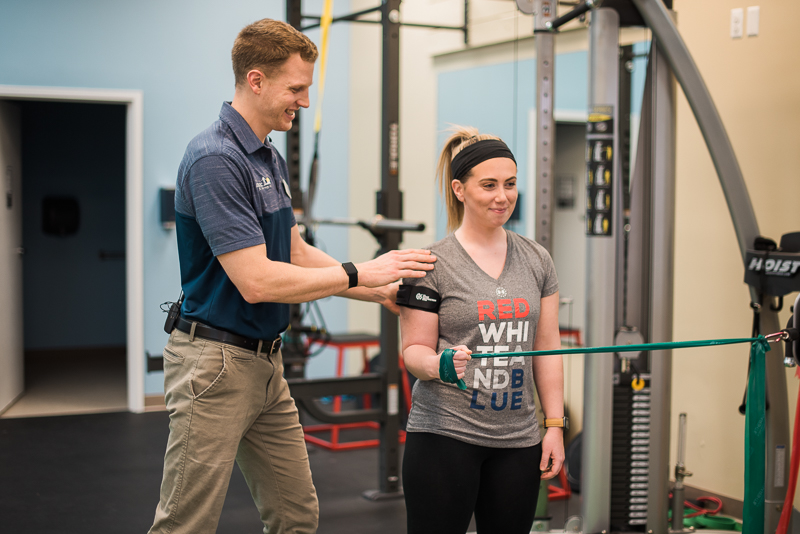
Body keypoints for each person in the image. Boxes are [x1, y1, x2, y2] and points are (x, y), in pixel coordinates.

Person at [148, 19, 436, 534]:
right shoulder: (216, 158)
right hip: (215, 366)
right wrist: (358, 271)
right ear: (255, 81)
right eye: (296, 88)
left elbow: (296, 250)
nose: (303, 101)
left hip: (265, 364)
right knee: (184, 525)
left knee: (296, 515)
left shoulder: (267, 154)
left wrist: (379, 291)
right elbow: (256, 280)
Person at [397, 127, 565, 534]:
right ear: (459, 189)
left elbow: (547, 348)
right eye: (488, 185)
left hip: (518, 439)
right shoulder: (429, 263)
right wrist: (440, 364)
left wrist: (555, 426)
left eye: (510, 185)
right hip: (445, 435)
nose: (502, 196)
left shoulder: (537, 259)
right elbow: (413, 352)